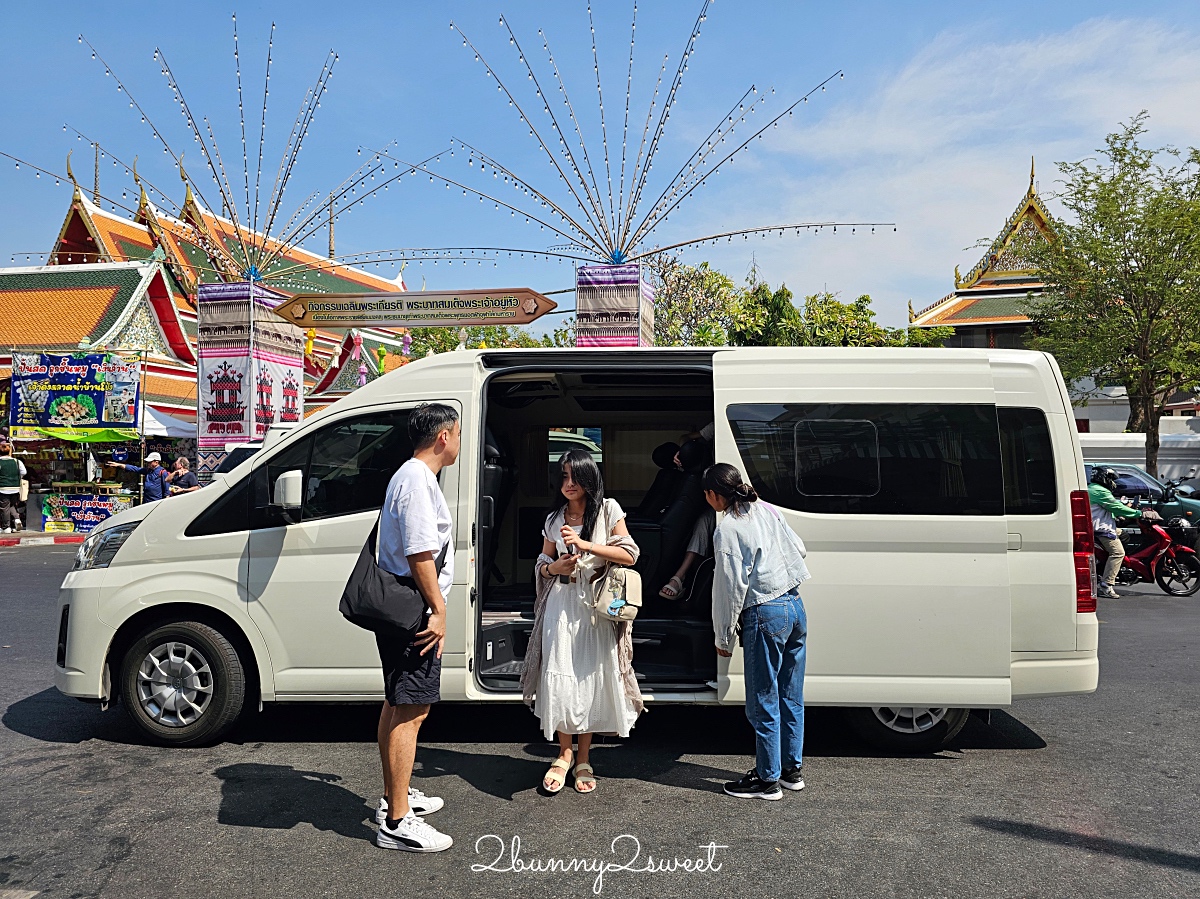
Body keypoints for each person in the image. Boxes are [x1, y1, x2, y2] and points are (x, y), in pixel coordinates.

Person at [520, 448, 643, 795]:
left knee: (589, 678)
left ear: (589, 477)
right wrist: (552, 568)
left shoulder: (608, 509)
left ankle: (584, 757)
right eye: (563, 476)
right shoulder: (554, 518)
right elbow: (542, 563)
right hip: (561, 604)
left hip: (594, 608)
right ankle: (563, 753)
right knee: (561, 676)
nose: (568, 483)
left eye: (575, 476)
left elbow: (630, 553)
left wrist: (586, 544)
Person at [373, 403, 460, 853]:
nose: (459, 442)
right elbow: (420, 553)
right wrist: (439, 610)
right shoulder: (419, 480)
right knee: (413, 709)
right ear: (444, 436)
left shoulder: (408, 476)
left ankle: (396, 796)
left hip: (403, 608)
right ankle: (397, 821)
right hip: (415, 612)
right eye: (458, 433)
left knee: (397, 702)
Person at [706, 462, 811, 801]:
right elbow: (800, 548)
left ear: (713, 495)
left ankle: (767, 780)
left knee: (762, 700)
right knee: (789, 695)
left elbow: (729, 588)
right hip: (795, 606)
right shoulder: (766, 509)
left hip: (765, 612)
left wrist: (723, 636)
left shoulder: (728, 529)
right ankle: (790, 771)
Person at [1089, 466, 1160, 599]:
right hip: (1101, 529)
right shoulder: (1100, 491)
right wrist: (1139, 513)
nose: (1113, 482)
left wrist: (1125, 511)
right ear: (1104, 479)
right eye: (1111, 479)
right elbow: (1114, 506)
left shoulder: (1093, 489)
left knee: (1124, 535)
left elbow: (1110, 507)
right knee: (1118, 553)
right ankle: (1106, 584)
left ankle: (1114, 566)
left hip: (1101, 525)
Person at [0, 440, 27, 533]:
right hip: (15, 488)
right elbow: (24, 472)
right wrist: (16, 478)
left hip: (3, 488)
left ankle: (6, 527)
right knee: (11, 505)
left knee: (4, 508)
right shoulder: (17, 461)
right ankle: (17, 519)